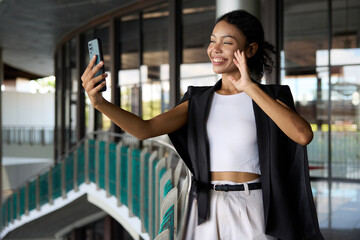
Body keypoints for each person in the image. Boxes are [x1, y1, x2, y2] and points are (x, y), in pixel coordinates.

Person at [82, 9, 324, 240]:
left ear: (249, 50)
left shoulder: (271, 96)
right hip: (206, 207)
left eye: (226, 42)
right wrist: (99, 102)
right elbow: (145, 129)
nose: (215, 49)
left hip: (253, 206)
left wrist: (249, 87)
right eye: (212, 40)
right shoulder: (198, 100)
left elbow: (302, 135)